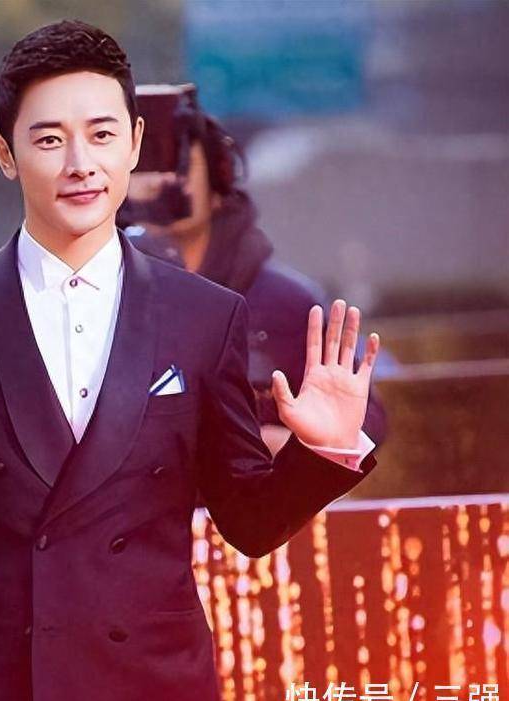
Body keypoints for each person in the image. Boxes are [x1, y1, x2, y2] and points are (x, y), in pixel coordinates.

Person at [0, 21, 380, 701]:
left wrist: (323, 448)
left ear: (135, 143)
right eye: (50, 139)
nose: (80, 163)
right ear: (5, 154)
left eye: (102, 134)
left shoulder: (206, 316)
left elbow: (249, 521)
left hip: (154, 691)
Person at [122, 85, 388, 453]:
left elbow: (362, 419)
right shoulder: (92, 298)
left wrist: (298, 447)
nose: (161, 179)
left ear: (218, 179)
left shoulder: (288, 304)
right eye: (142, 162)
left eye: (177, 162)